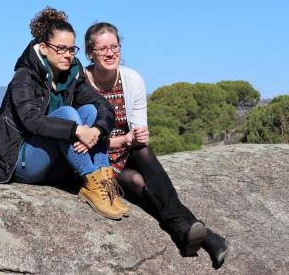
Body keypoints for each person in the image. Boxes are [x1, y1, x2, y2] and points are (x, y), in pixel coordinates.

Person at [84, 22, 229, 269]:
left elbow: (138, 130)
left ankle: (187, 232)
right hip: (99, 158)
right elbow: (85, 139)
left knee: (143, 150)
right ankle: (205, 237)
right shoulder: (81, 83)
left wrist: (139, 135)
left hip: (130, 152)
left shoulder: (132, 79)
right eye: (102, 49)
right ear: (90, 53)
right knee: (137, 182)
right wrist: (123, 140)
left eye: (115, 46)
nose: (110, 53)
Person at [0, 7, 129, 220]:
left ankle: (105, 184)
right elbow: (32, 121)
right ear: (43, 48)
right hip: (22, 161)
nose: (68, 55)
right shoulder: (24, 77)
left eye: (72, 49)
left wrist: (97, 130)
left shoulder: (73, 73)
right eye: (61, 48)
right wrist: (76, 130)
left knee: (90, 110)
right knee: (68, 113)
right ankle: (92, 184)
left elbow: (103, 107)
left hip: (56, 159)